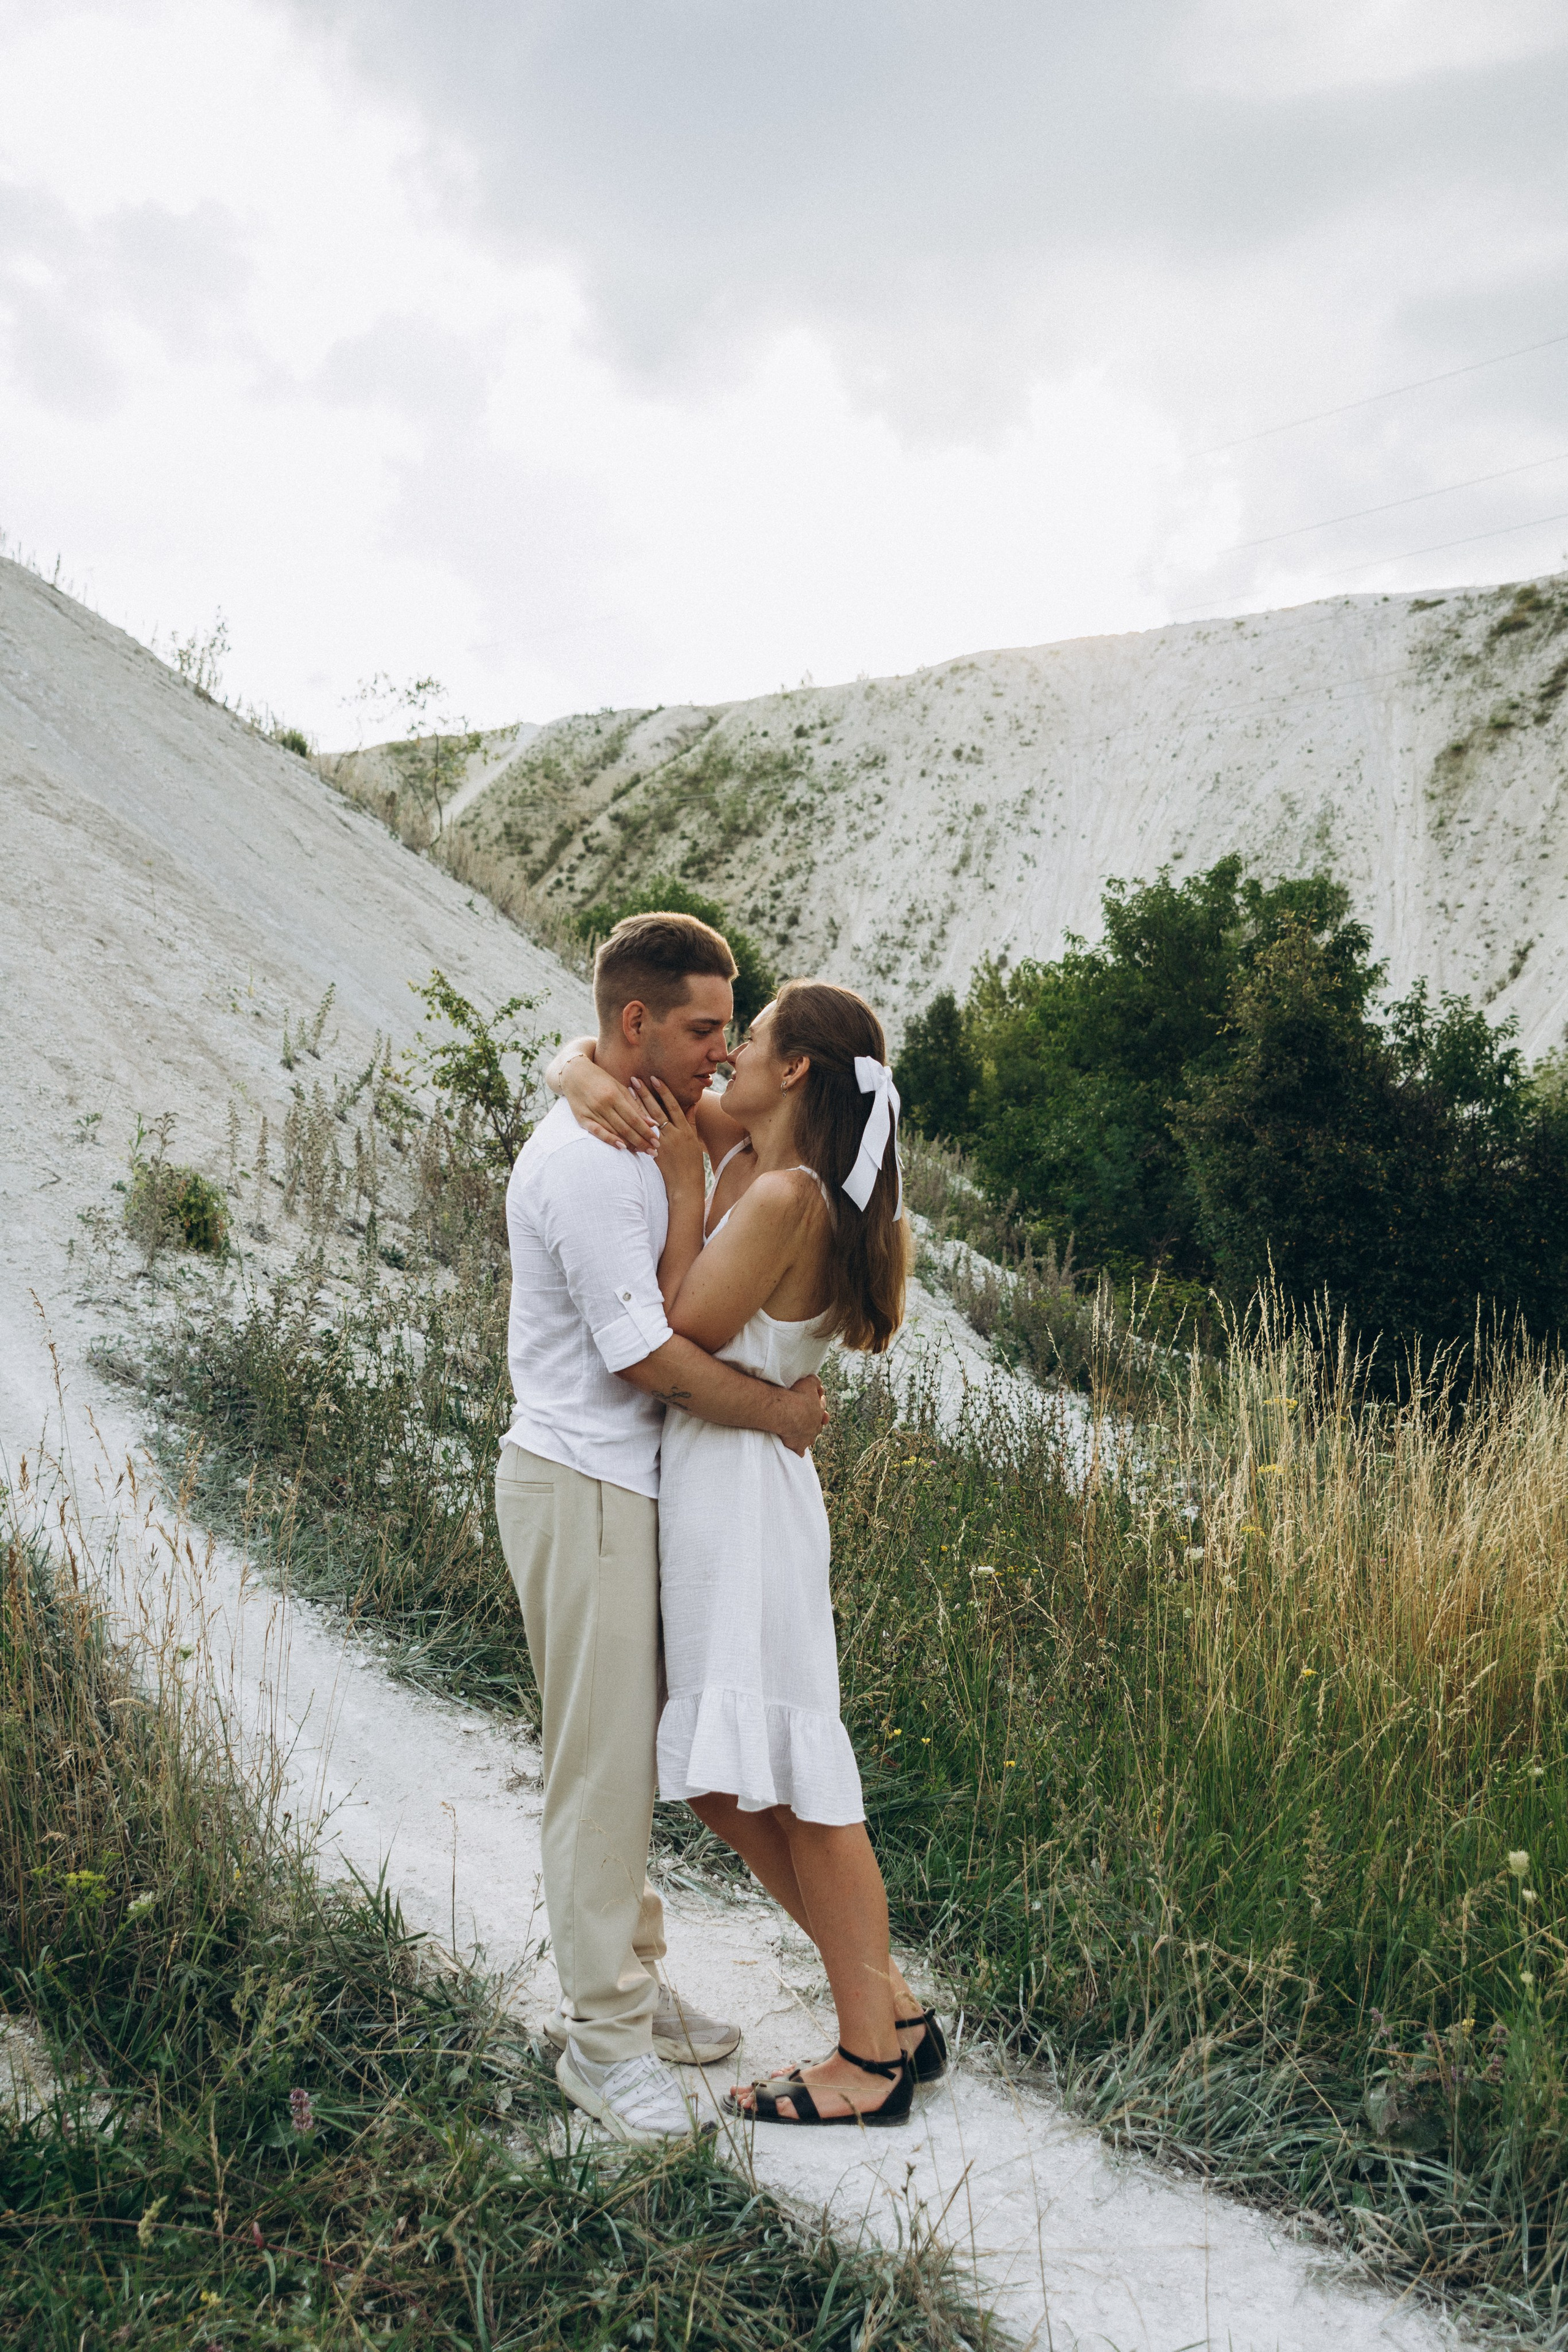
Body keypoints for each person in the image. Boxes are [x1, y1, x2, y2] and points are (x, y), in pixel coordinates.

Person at [555, 978, 948, 2127]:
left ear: (799, 1075)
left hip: (740, 1492)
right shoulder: (781, 1158)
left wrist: (682, 1193)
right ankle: (889, 2008)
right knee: (729, 1783)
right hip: (733, 1483)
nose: (729, 1054)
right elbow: (620, 1078)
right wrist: (577, 1071)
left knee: (805, 1785)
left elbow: (680, 1321)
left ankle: (868, 2062)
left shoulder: (785, 1195)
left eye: (756, 1036)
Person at [496, 912, 829, 2147]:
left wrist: (576, 1063)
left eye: (726, 1029)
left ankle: (624, 1979)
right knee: (598, 1770)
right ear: (636, 1023)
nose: (719, 1051)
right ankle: (599, 2038)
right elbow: (644, 1359)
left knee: (626, 1757)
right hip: (578, 1479)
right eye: (698, 1029)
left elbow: (811, 1102)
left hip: (627, 1489)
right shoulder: (586, 1157)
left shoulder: (648, 1114)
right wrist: (782, 1414)